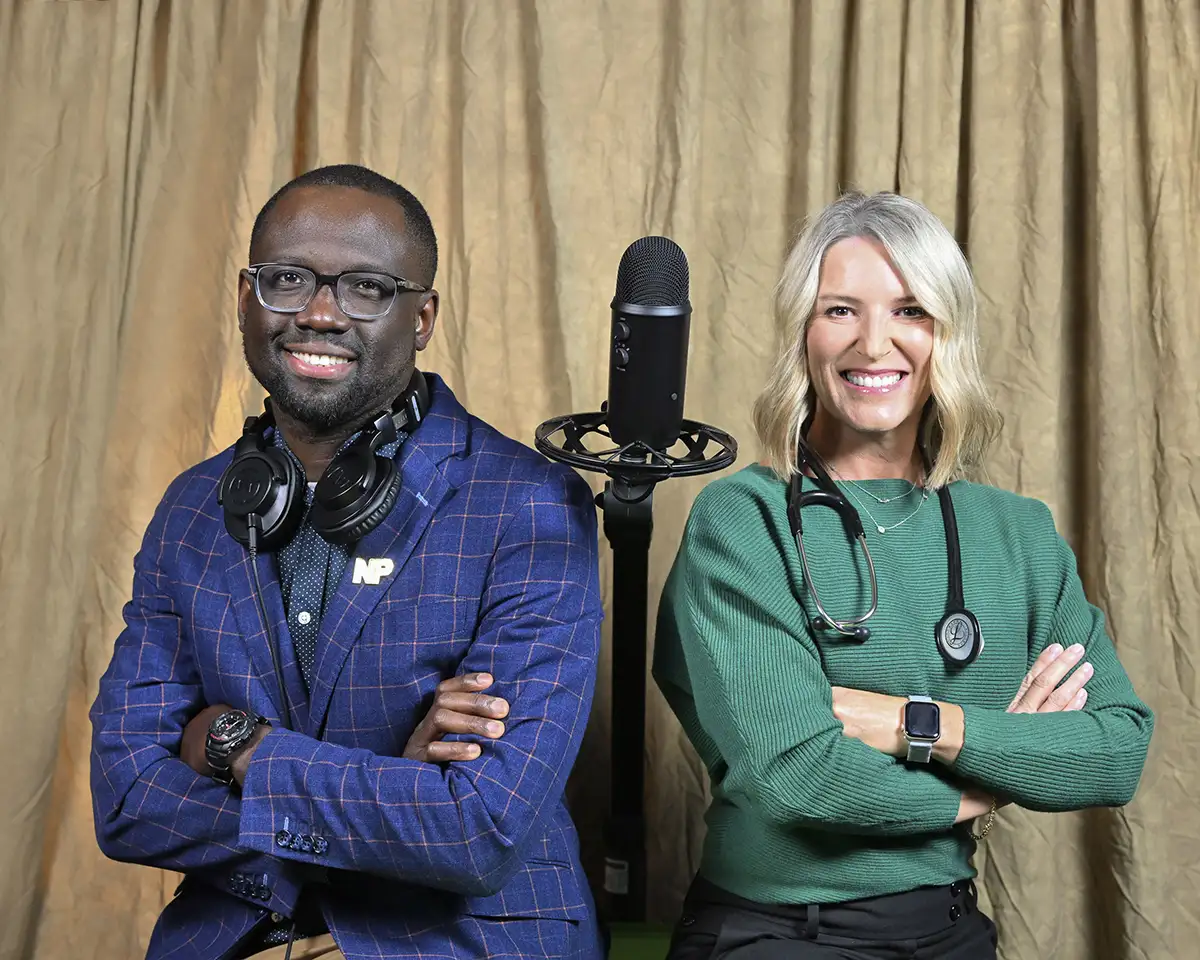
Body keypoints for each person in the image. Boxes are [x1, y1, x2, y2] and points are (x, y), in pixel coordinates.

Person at [89, 164, 605, 960]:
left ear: (422, 317)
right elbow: (125, 799)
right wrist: (395, 799)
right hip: (237, 935)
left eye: (367, 288)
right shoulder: (191, 509)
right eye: (287, 279)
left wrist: (234, 743)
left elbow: (479, 830)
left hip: (456, 943)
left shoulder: (529, 504)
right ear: (246, 298)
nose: (320, 313)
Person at [650, 191, 1155, 958]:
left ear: (946, 333)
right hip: (780, 932)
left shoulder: (1018, 533)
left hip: (950, 928)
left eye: (910, 310)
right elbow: (799, 775)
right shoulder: (744, 520)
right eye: (840, 310)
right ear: (804, 333)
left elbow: (1115, 752)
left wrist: (917, 723)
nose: (874, 343)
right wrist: (993, 778)